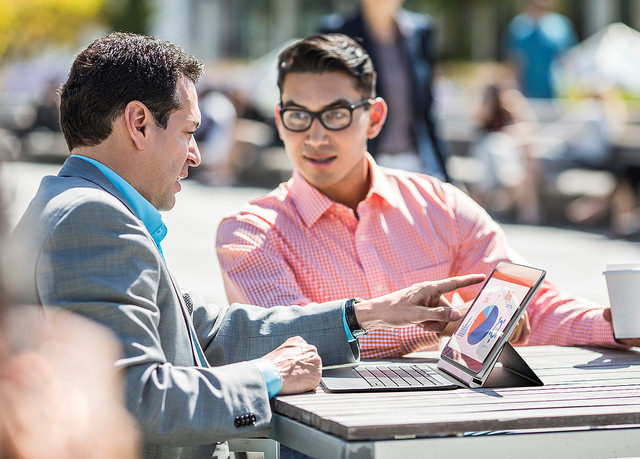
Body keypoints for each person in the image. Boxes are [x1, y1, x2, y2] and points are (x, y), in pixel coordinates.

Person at [4, 32, 485, 458]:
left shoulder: (73, 204)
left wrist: (364, 314)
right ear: (139, 123)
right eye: (189, 131)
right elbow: (137, 401)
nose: (196, 154)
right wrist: (267, 374)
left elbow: (208, 334)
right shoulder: (94, 218)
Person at [215, 33, 640, 361]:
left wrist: (616, 326)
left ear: (375, 117)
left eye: (336, 114)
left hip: (446, 419)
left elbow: (533, 306)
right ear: (280, 120)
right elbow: (291, 342)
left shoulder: (441, 205)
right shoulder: (248, 233)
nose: (315, 135)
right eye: (298, 116)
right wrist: (432, 323)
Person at [319, 0, 448, 181]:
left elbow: (427, 109)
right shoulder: (336, 31)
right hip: (362, 164)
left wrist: (446, 174)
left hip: (418, 162)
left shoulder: (420, 31)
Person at [505, 0, 577, 99]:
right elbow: (514, 61)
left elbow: (568, 59)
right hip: (527, 92)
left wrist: (568, 86)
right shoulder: (519, 27)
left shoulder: (561, 26)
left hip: (555, 93)